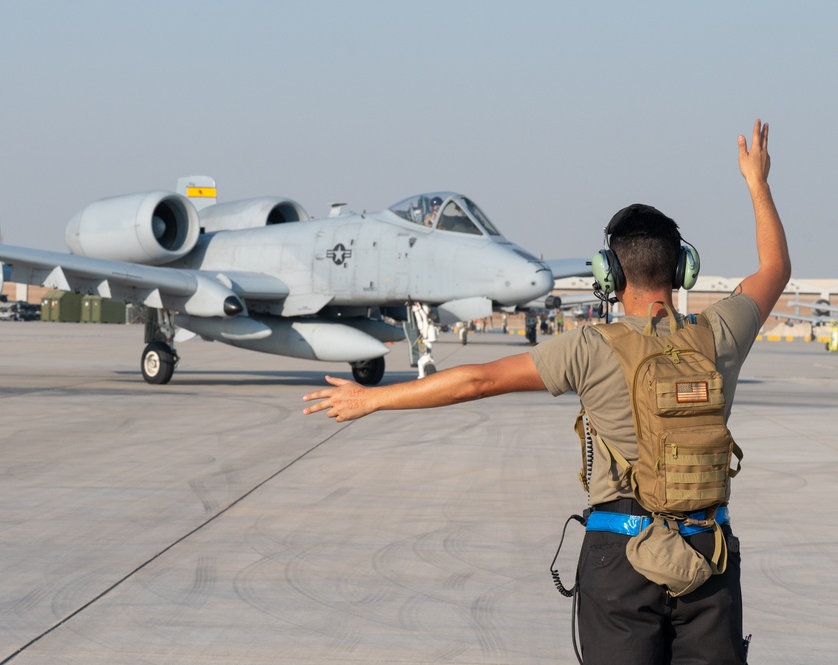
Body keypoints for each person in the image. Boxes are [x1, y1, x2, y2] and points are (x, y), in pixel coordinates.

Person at [303, 120, 789, 664]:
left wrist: (369, 399)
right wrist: (756, 181)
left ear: (609, 274)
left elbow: (478, 380)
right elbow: (776, 267)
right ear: (683, 269)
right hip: (709, 556)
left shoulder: (588, 348)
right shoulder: (721, 334)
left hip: (622, 557)